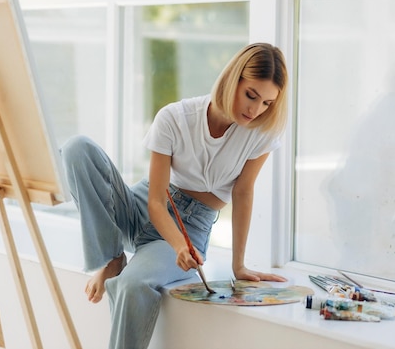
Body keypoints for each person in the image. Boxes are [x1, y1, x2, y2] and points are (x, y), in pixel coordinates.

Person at [60, 42, 289, 349]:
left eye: (267, 103)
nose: (255, 110)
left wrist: (238, 266)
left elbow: (244, 192)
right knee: (76, 147)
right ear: (233, 78)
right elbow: (155, 201)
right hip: (141, 206)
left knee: (132, 284)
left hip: (190, 227)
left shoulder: (261, 134)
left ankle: (120, 270)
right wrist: (179, 246)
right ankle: (111, 256)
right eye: (251, 95)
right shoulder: (175, 117)